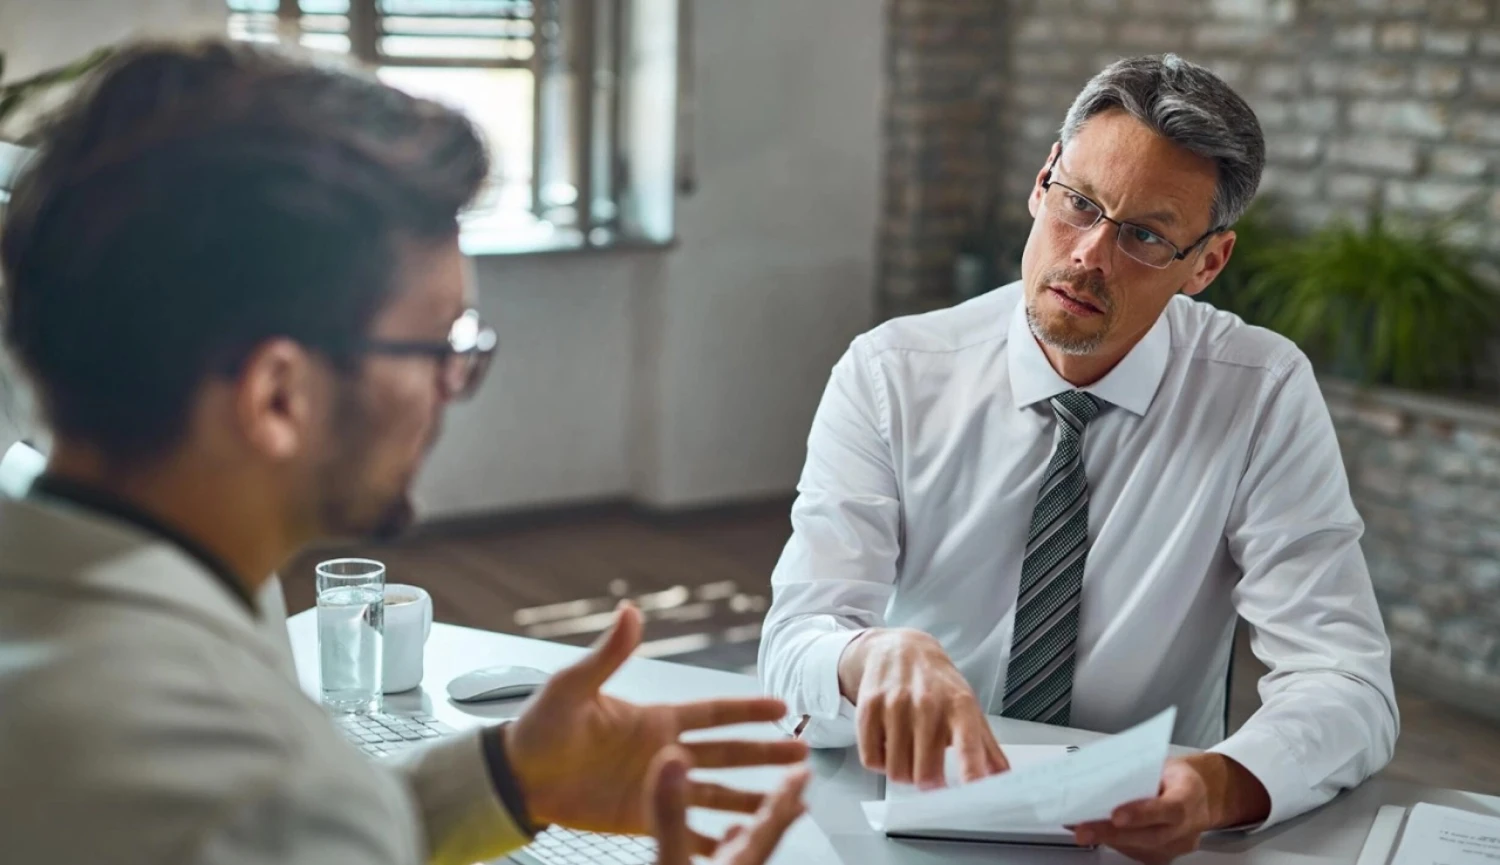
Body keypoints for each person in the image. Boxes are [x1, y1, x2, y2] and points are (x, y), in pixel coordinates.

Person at [0, 40, 809, 865]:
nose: (451, 388)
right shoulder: (251, 782)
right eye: (434, 346)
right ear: (278, 395)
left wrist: (504, 779)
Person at [759, 53, 1398, 862]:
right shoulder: (891, 373)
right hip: (901, 817)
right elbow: (791, 649)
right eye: (1079, 205)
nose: (1090, 254)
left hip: (1140, 837)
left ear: (1207, 263)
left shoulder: (1260, 393)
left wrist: (1221, 781)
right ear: (1041, 184)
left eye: (1143, 235)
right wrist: (866, 654)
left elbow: (1346, 681)